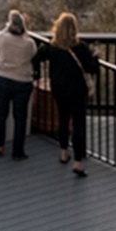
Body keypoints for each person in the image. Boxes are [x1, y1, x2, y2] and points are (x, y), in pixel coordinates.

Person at [41, 12, 99, 175]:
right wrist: (96, 57)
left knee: (63, 119)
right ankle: (78, 161)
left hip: (59, 89)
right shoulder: (80, 48)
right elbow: (92, 68)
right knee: (78, 124)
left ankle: (64, 152)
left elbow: (37, 57)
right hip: (77, 91)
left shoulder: (52, 47)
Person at [0, 10, 39, 158]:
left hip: (1, 79)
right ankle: (18, 151)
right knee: (20, 118)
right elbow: (33, 55)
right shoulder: (29, 43)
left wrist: (7, 27)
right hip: (22, 83)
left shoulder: (3, 38)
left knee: (1, 114)